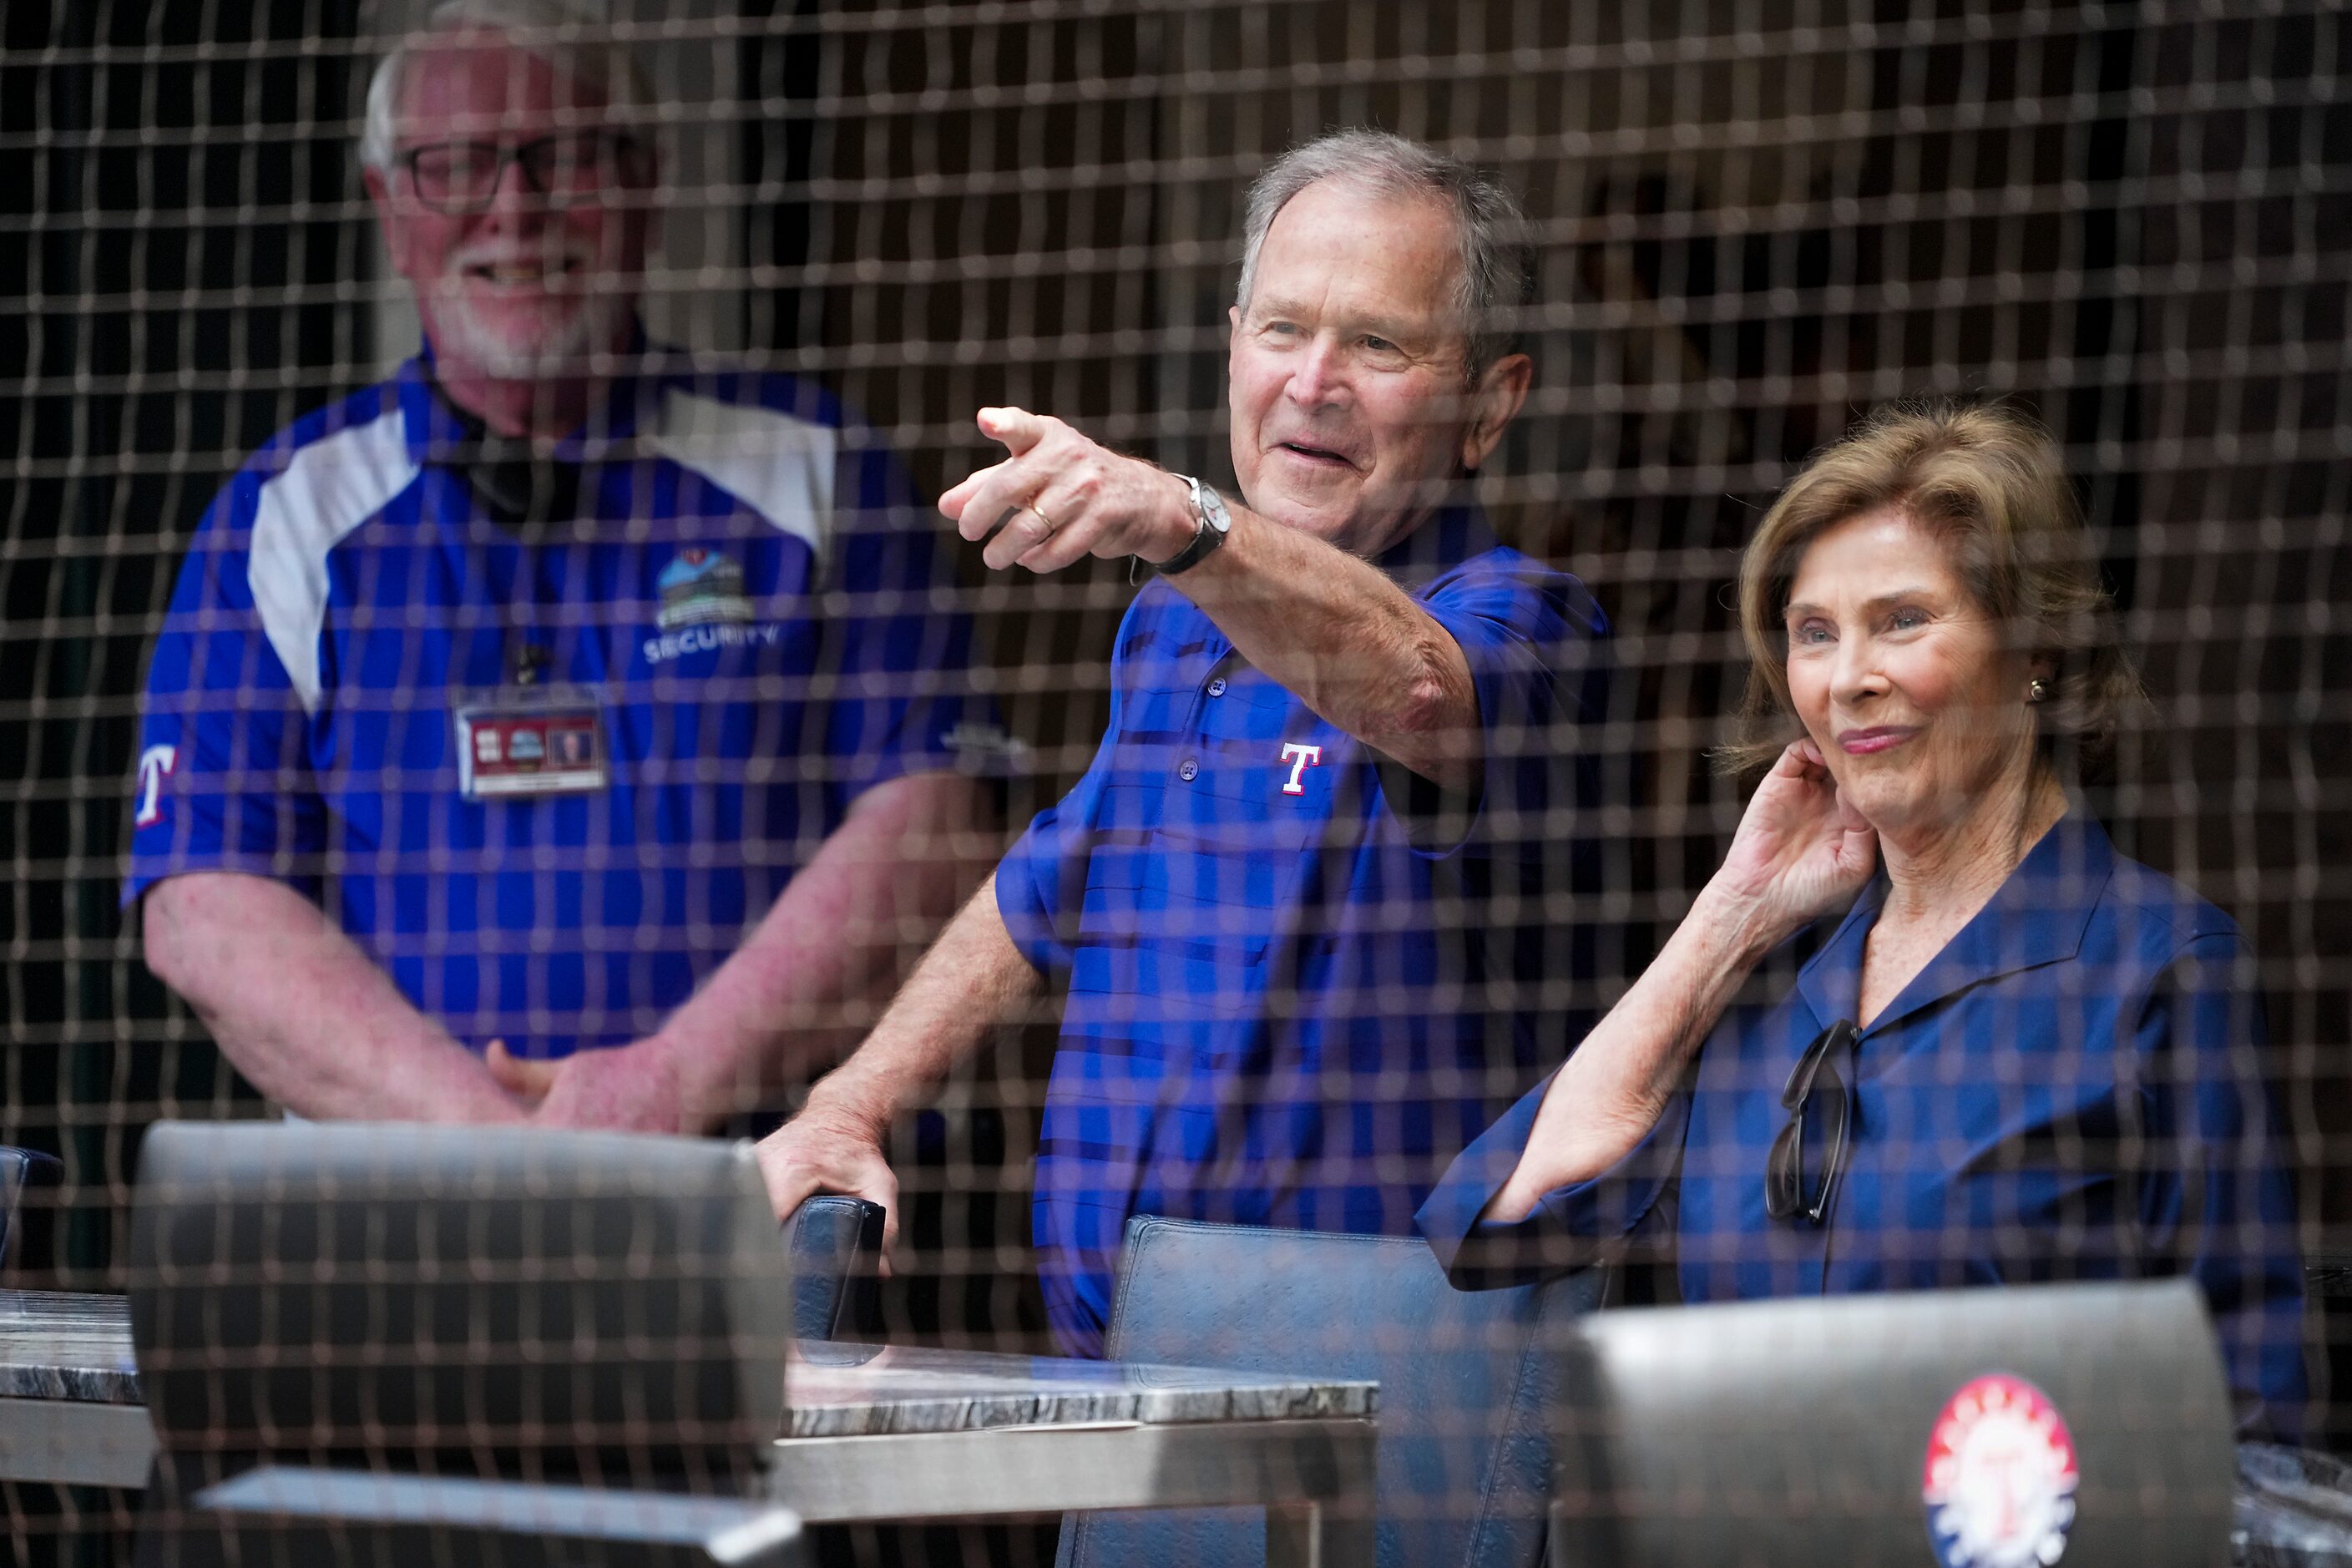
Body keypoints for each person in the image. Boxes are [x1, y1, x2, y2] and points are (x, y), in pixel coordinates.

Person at [757, 129, 1610, 1357]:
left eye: (1377, 344)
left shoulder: (1522, 615)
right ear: (1230, 349)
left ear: (1489, 401)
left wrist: (1183, 516)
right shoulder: (1173, 618)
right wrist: (853, 1100)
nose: (1313, 381)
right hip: (1112, 1375)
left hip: (1368, 1402)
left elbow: (1421, 693)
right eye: (1282, 329)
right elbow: (1045, 882)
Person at [126, 0, 997, 1133]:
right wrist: (490, 1143)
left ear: (647, 186)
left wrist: (667, 1084)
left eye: (565, 158)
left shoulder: (816, 470)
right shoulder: (285, 516)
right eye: (456, 167)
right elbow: (201, 904)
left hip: (758, 1190)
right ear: (391, 212)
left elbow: (936, 822)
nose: (516, 210)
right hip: (399, 1211)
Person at [1416, 401, 2305, 1434]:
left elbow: (2248, 1413)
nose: (1848, 681)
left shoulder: (2155, 968)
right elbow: (1501, 1221)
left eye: (1904, 620)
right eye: (1814, 634)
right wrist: (1732, 917)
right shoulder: (1773, 977)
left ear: (2038, 649)